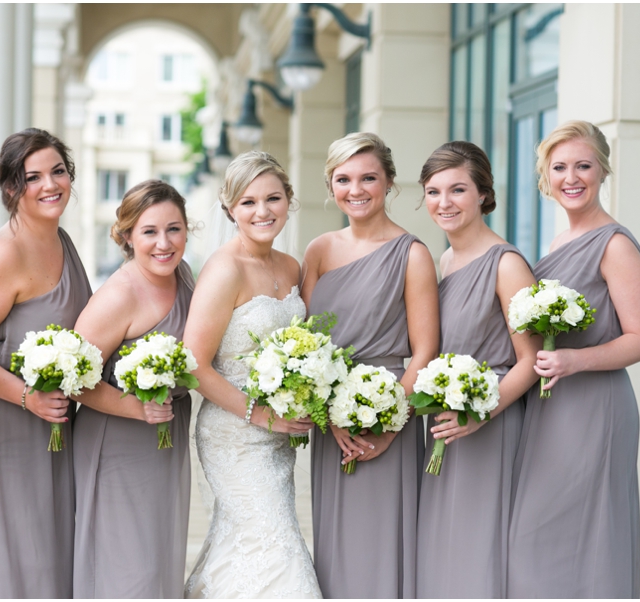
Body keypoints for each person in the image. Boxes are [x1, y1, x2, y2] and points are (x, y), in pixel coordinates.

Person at [507, 120, 640, 598]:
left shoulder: (615, 244)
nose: (571, 177)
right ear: (545, 178)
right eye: (560, 167)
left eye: (583, 166)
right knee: (538, 539)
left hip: (594, 405)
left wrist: (575, 362)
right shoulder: (558, 242)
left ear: (603, 170)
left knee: (584, 536)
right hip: (552, 407)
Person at [0, 129, 91, 598]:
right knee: (13, 558)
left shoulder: (62, 240)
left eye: (58, 171)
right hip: (4, 424)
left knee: (48, 556)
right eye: (33, 177)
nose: (51, 184)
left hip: (51, 426)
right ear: (12, 189)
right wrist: (28, 398)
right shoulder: (1, 256)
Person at [300, 132, 439, 598]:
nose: (355, 190)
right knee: (335, 547)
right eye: (343, 179)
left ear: (390, 183)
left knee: (381, 546)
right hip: (330, 424)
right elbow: (303, 348)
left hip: (386, 416)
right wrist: (327, 414)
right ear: (330, 184)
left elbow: (424, 351)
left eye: (368, 178)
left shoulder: (413, 254)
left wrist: (388, 423)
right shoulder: (318, 250)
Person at [183, 151, 321, 598]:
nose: (262, 211)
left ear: (288, 201)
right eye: (248, 202)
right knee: (273, 546)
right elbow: (194, 364)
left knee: (246, 546)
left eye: (273, 198)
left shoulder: (291, 266)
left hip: (279, 437)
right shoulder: (225, 269)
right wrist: (261, 415)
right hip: (235, 435)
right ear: (230, 210)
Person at [413, 141, 540, 598]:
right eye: (433, 191)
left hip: (489, 427)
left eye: (457, 190)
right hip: (445, 426)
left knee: (477, 552)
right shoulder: (443, 261)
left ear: (484, 194)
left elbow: (531, 361)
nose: (443, 203)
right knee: (444, 552)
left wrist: (479, 413)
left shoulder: (506, 265)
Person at [71, 180, 194, 598]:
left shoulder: (185, 276)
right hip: (117, 441)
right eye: (149, 232)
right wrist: (137, 410)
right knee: (127, 565)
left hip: (164, 435)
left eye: (174, 229)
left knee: (156, 557)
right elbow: (75, 380)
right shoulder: (118, 296)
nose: (164, 243)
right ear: (127, 236)